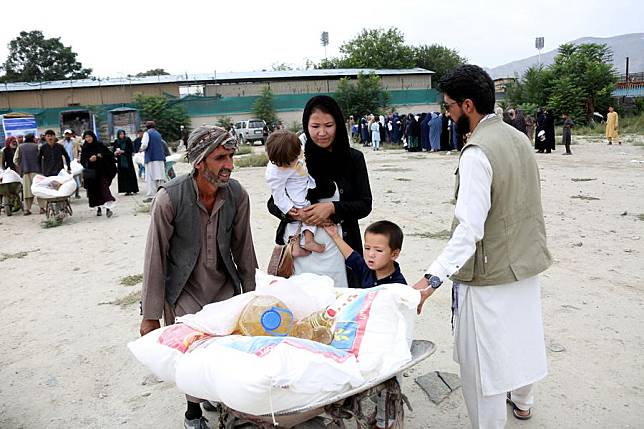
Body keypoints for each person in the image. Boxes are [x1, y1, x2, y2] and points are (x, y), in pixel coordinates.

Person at [415, 65, 551, 429]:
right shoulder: (518, 137)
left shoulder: (477, 153)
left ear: (468, 105)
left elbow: (468, 229)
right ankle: (524, 402)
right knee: (521, 340)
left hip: (489, 276)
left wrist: (433, 278)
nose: (447, 114)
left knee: (483, 366)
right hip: (523, 265)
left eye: (449, 107)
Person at [139, 125, 257, 429]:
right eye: (220, 157)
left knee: (227, 350)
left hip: (223, 286)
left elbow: (244, 250)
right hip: (184, 290)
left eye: (230, 156)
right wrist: (150, 315)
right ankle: (193, 414)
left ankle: (214, 394)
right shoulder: (169, 199)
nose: (229, 164)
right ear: (199, 161)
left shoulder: (236, 195)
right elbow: (155, 258)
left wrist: (253, 297)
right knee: (192, 353)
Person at [267, 95, 372, 289]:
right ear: (306, 125)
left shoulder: (353, 159)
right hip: (299, 254)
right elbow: (273, 202)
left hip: (339, 249)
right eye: (315, 127)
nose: (322, 133)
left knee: (338, 303)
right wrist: (294, 213)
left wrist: (331, 208)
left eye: (329, 125)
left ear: (338, 124)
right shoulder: (295, 157)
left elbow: (364, 204)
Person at [265, 129, 325, 257]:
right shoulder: (275, 171)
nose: (295, 161)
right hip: (294, 194)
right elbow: (278, 194)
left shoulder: (297, 146)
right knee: (302, 216)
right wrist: (288, 208)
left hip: (304, 185)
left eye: (296, 157)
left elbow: (304, 138)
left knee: (306, 214)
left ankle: (305, 242)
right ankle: (302, 243)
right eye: (289, 162)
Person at [324, 220, 406, 288]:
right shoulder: (366, 269)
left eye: (378, 250)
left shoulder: (399, 286)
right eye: (367, 248)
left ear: (394, 254)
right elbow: (352, 256)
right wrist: (335, 235)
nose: (371, 254)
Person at [80, 131, 117, 217]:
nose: (88, 139)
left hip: (102, 171)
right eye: (86, 137)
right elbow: (82, 160)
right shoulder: (85, 148)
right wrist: (89, 160)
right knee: (94, 191)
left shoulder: (99, 145)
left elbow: (110, 155)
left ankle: (108, 209)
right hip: (91, 174)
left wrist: (101, 155)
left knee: (105, 189)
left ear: (93, 137)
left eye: (89, 137)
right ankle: (99, 208)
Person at [12, 134, 41, 215]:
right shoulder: (37, 146)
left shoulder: (20, 147)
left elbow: (15, 160)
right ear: (32, 139)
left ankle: (26, 209)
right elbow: (41, 158)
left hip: (25, 172)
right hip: (37, 171)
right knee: (39, 189)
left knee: (27, 191)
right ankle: (42, 208)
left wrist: (21, 166)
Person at [140, 121, 166, 202]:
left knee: (150, 177)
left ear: (146, 127)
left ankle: (151, 195)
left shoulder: (147, 133)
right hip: (160, 157)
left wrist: (141, 149)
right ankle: (162, 194)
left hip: (151, 158)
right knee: (160, 177)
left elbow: (144, 145)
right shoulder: (158, 134)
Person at [112, 129, 139, 195]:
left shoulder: (128, 140)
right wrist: (115, 153)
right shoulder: (116, 141)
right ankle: (125, 190)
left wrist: (124, 151)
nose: (122, 135)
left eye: (122, 134)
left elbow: (131, 149)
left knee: (130, 175)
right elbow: (113, 150)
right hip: (120, 161)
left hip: (128, 161)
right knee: (123, 176)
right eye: (120, 134)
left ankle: (132, 189)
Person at [58, 129, 81, 198]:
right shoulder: (60, 143)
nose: (67, 135)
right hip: (64, 162)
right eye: (66, 134)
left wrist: (78, 158)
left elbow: (79, 151)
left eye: (69, 134)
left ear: (71, 135)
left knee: (76, 178)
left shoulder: (75, 142)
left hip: (73, 162)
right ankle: (67, 194)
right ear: (64, 135)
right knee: (65, 179)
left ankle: (77, 193)